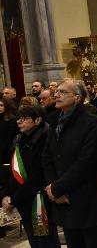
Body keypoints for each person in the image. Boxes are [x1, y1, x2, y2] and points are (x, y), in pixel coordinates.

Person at [42, 79, 97, 248]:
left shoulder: (92, 123)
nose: (57, 95)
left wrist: (58, 188)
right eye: (57, 92)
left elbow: (85, 162)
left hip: (86, 198)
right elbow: (48, 158)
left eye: (63, 92)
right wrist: (53, 188)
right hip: (62, 199)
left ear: (77, 98)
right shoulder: (54, 121)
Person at [0, 105, 60, 247]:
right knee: (34, 240)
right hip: (22, 199)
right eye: (19, 118)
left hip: (39, 199)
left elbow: (38, 176)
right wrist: (5, 194)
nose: (19, 122)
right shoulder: (20, 138)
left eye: (25, 118)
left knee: (45, 240)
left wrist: (14, 199)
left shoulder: (46, 138)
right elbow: (11, 168)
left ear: (38, 120)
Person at [0, 98, 18, 166]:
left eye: (1, 105)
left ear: (7, 107)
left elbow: (11, 139)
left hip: (8, 152)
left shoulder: (13, 121)